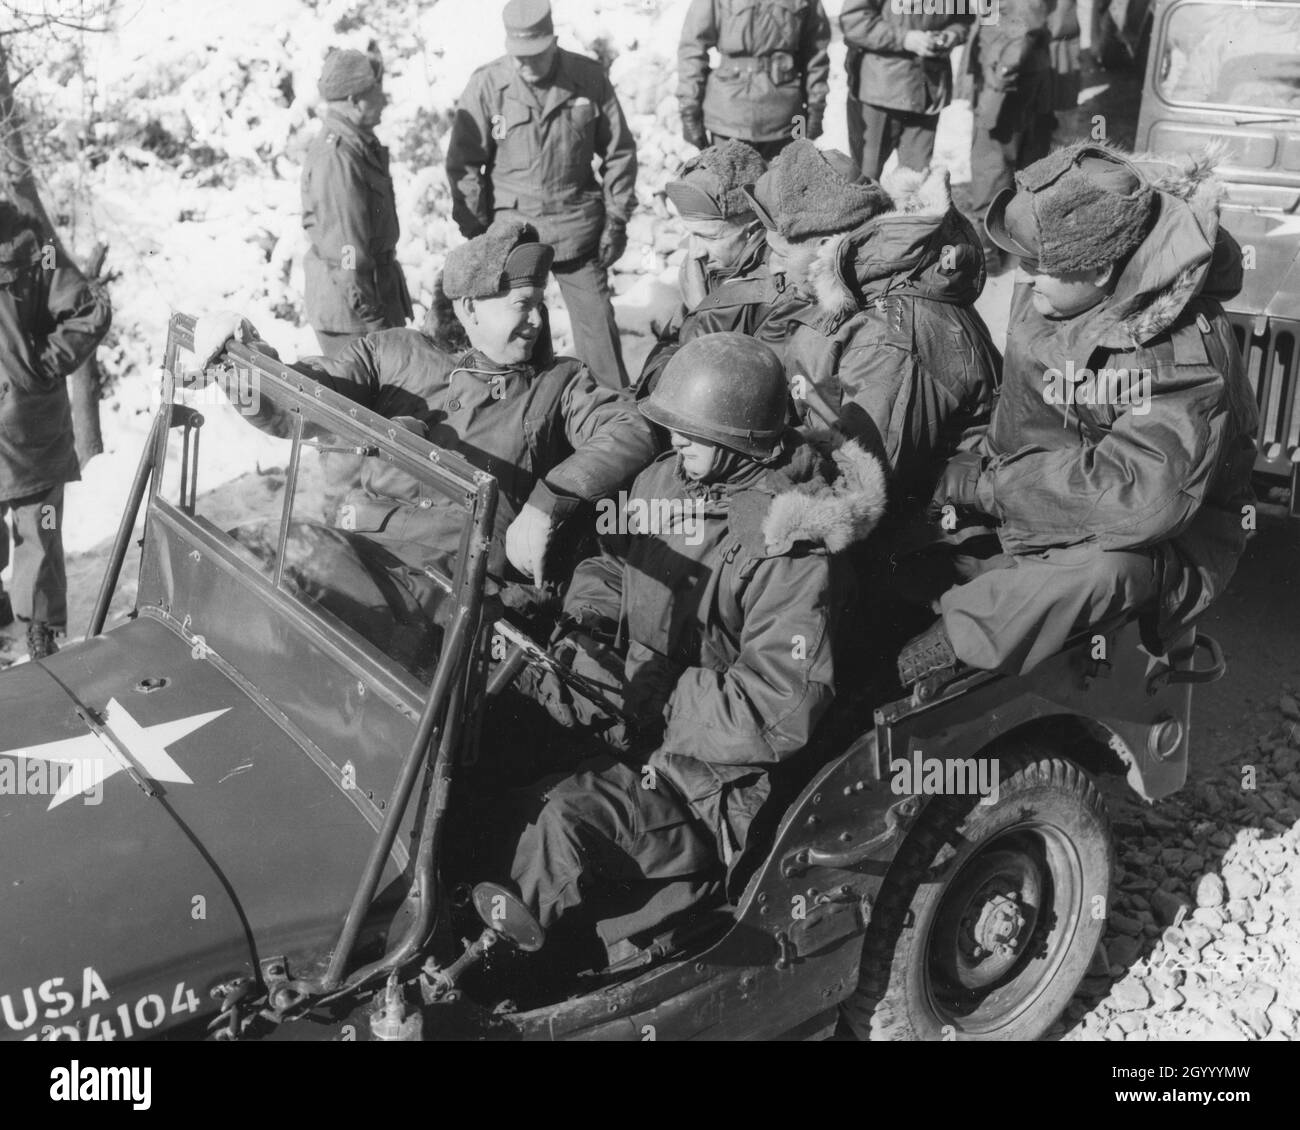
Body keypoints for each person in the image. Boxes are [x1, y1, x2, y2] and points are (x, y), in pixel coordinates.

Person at [489, 333, 887, 937]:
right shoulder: (666, 480)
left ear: (742, 438)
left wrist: (657, 699)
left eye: (692, 432)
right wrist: (591, 629)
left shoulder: (790, 550)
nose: (675, 441)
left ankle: (500, 971)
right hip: (629, 704)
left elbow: (779, 707)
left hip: (712, 777)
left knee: (562, 828)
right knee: (488, 740)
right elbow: (611, 562)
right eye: (673, 426)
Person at [899, 143, 1259, 685]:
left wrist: (988, 488)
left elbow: (1138, 497)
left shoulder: (1178, 351)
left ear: (1100, 269)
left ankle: (957, 642)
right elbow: (1024, 413)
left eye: (1039, 266)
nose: (1023, 275)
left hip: (1159, 537)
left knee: (1101, 572)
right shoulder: (1060, 289)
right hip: (1041, 486)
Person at [193, 220, 657, 597]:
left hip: (458, 592)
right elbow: (296, 406)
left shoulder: (558, 385)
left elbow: (631, 425)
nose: (537, 320)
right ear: (470, 309)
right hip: (364, 560)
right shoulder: (393, 354)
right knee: (249, 561)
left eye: (540, 304)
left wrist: (549, 500)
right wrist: (247, 364)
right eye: (523, 305)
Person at [745, 140, 1000, 521]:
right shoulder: (855, 286)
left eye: (780, 255)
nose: (772, 267)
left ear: (828, 249)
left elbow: (864, 494)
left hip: (921, 536)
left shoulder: (888, 342)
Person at [446, 0, 637, 388]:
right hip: (513, 239)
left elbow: (619, 151)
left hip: (577, 230)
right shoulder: (487, 85)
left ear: (553, 42)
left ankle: (617, 422)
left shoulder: (586, 77)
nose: (524, 65)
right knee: (516, 342)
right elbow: (463, 164)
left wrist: (616, 219)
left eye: (534, 55)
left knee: (600, 336)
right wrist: (476, 232)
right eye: (518, 56)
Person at [0, 200, 111, 660]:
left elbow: (90, 311)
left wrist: (35, 365)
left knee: (39, 534)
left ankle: (39, 633)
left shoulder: (29, 245)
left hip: (28, 427)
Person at [639, 140, 780, 392]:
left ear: (753, 231)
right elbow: (668, 346)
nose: (695, 251)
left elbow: (745, 391)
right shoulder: (702, 266)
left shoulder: (778, 288)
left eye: (709, 237)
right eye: (691, 234)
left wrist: (703, 312)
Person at [301, 47, 412, 358]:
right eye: (376, 91)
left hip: (367, 304)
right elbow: (346, 256)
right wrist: (376, 324)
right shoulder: (338, 158)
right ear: (353, 99)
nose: (384, 99)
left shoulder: (357, 146)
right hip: (355, 316)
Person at [676, 0, 831, 161]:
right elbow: (693, 49)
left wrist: (816, 110)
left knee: (785, 182)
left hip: (783, 120)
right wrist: (689, 109)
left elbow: (815, 53)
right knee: (730, 182)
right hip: (731, 119)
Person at [965, 2, 1054, 274]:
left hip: (1008, 79)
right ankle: (1011, 239)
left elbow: (1024, 22)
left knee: (990, 160)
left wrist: (1002, 73)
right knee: (1015, 157)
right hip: (1014, 73)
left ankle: (988, 250)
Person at [839, 0, 974, 179]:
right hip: (879, 92)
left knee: (915, 182)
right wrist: (905, 39)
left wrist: (952, 35)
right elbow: (854, 21)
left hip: (927, 92)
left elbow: (965, 18)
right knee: (865, 180)